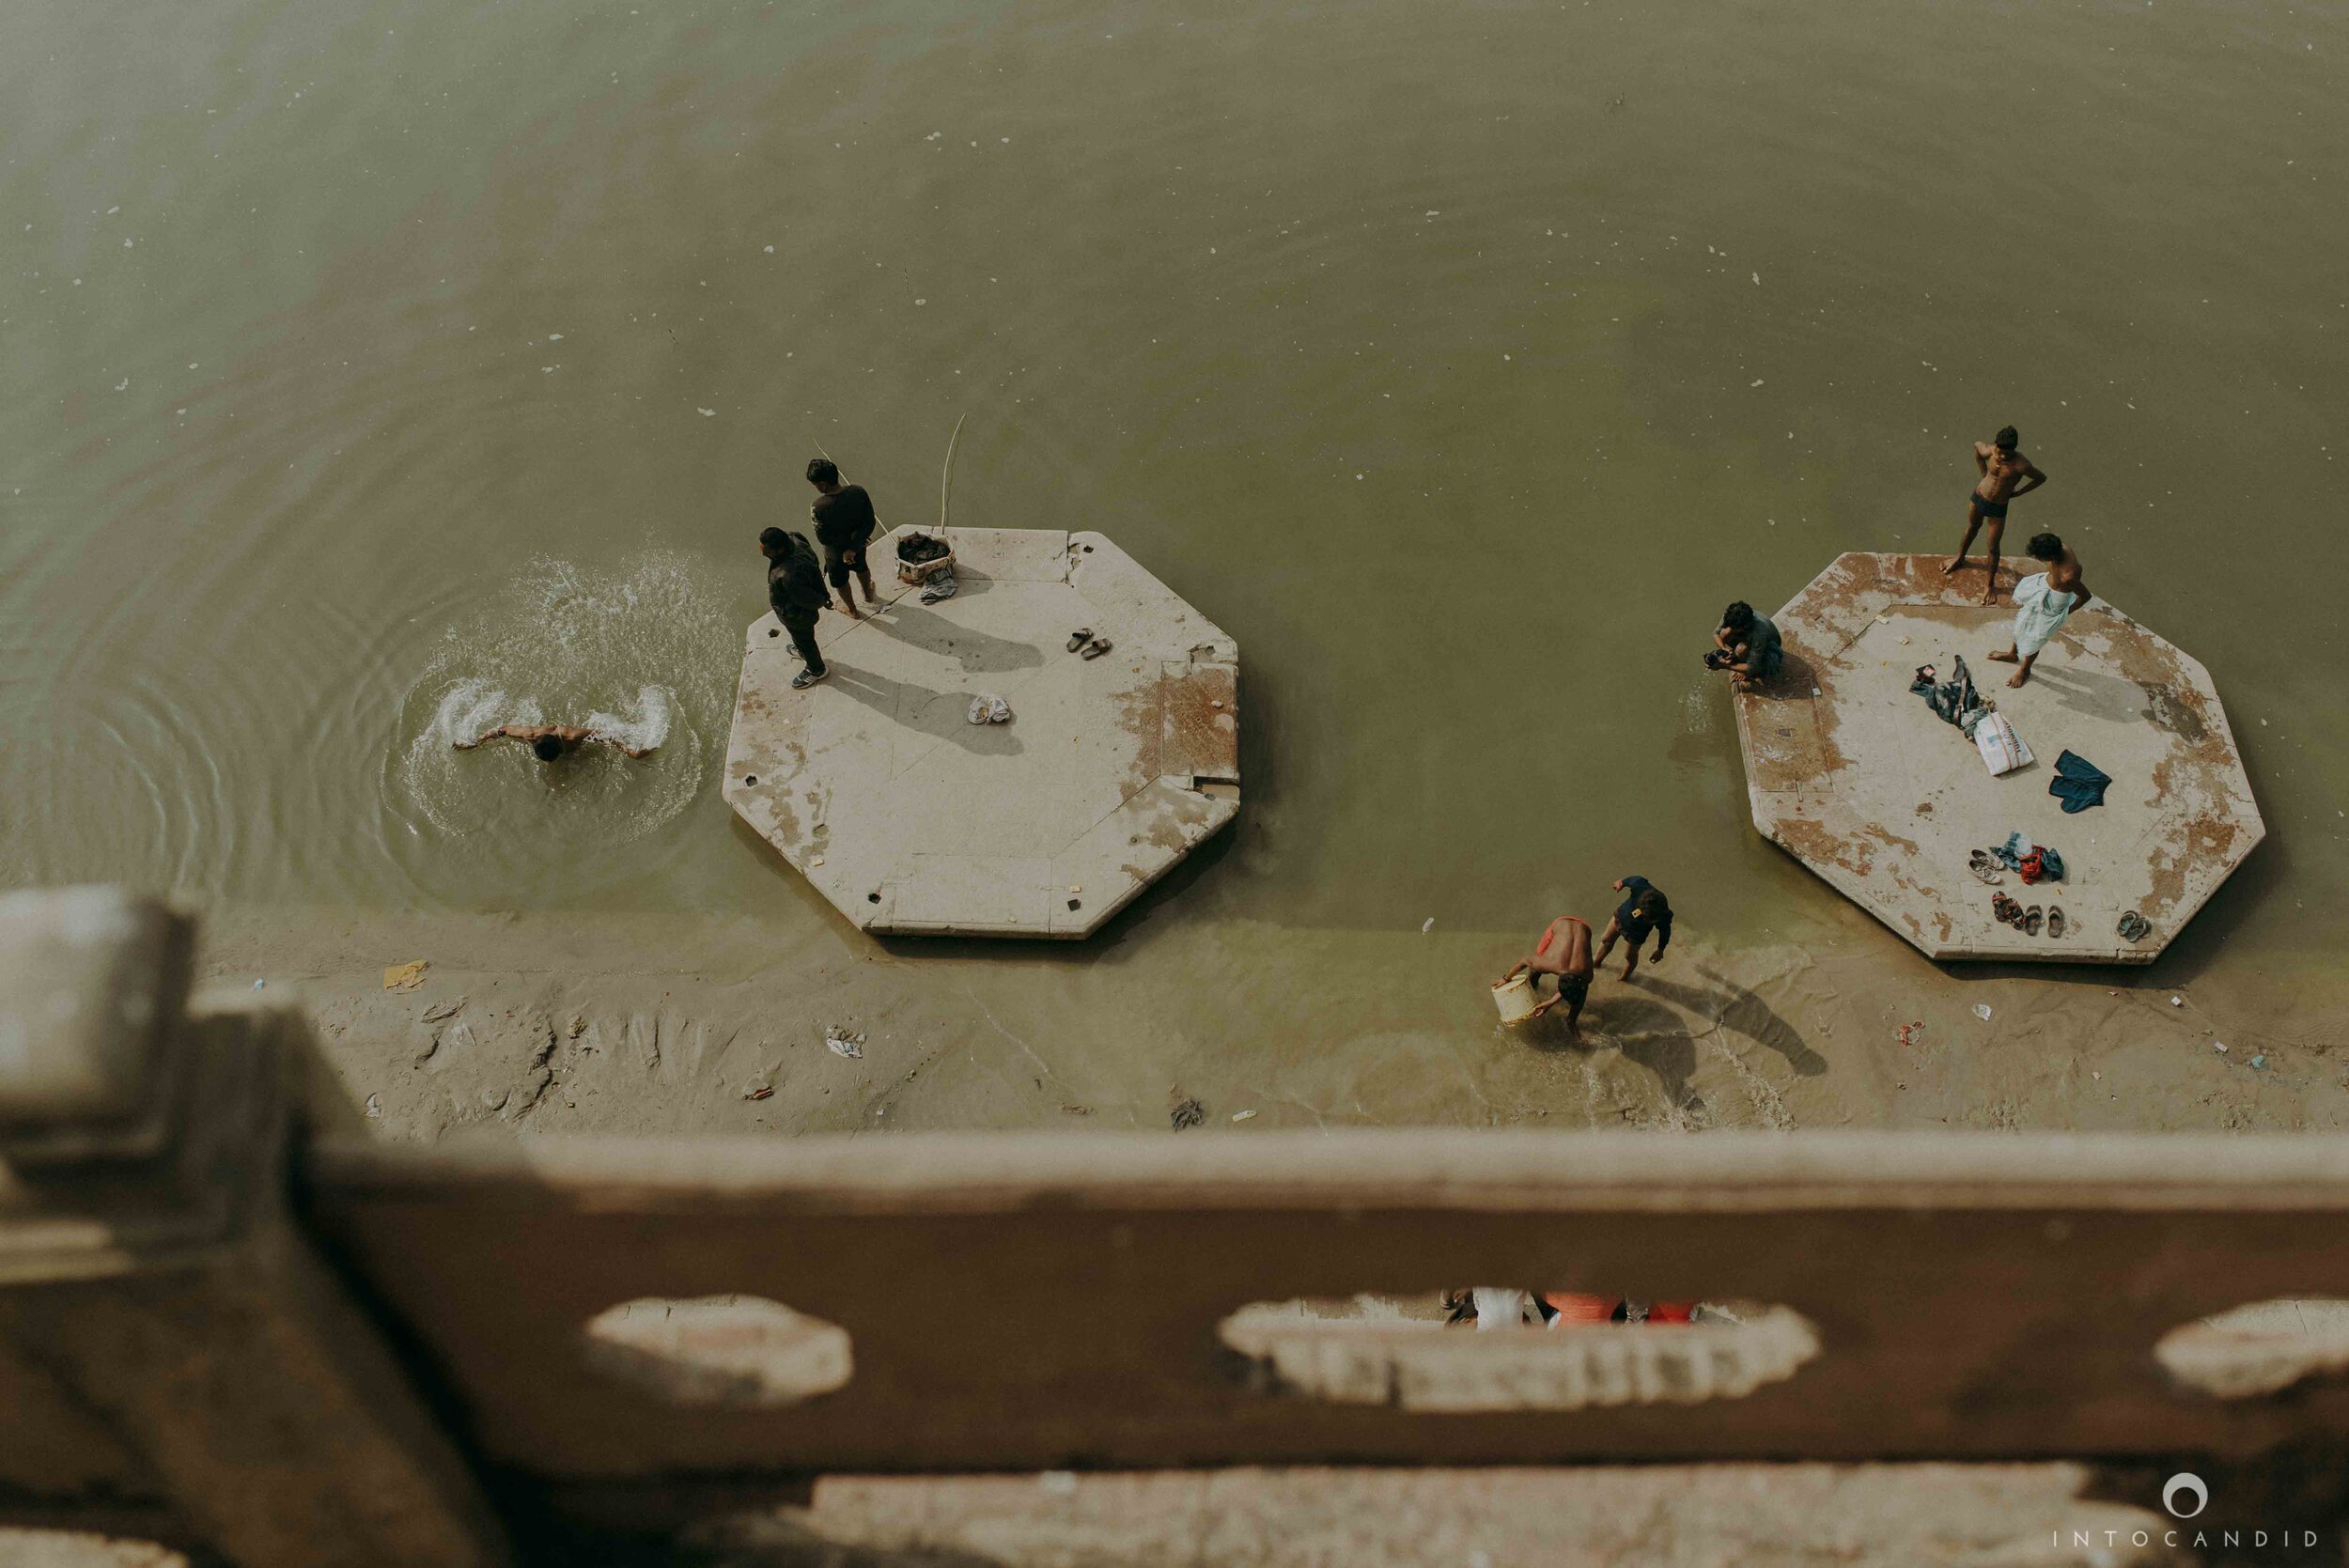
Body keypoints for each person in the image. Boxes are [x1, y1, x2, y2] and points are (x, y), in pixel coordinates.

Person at [1943, 426, 2048, 605]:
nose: (2000, 457)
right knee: (1971, 529)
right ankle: (1960, 557)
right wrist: (1983, 472)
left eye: (2005, 454)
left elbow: (2040, 478)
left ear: (2014, 449)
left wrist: (2020, 492)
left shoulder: (2021, 465)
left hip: (1998, 507)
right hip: (1979, 497)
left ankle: (1989, 584)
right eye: (1999, 452)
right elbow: (1977, 446)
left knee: (1993, 546)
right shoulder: (1990, 450)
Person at [1986, 533, 2091, 688]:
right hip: (2045, 586)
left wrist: (2064, 613)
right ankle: (2012, 653)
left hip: (2055, 601)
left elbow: (2085, 596)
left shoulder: (2068, 576)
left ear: (2050, 556)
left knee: (2035, 636)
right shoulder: (2062, 547)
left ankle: (2025, 670)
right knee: (2024, 620)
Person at [760, 525, 836, 690]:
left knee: (805, 640)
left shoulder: (788, 575)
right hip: (795, 607)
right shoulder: (796, 539)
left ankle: (816, 669)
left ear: (779, 549)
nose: (763, 553)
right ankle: (802, 649)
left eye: (767, 551)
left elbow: (808, 599)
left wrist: (820, 601)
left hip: (798, 615)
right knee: (800, 638)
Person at [806, 458, 880, 617]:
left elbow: (823, 538)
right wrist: (854, 546)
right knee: (861, 567)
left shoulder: (817, 507)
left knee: (840, 581)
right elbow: (869, 522)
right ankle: (868, 593)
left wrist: (846, 549)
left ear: (823, 484)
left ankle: (852, 609)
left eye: (815, 484)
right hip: (858, 545)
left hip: (836, 553)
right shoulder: (858, 492)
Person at [1501, 915, 1595, 1038]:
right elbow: (1524, 961)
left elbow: (1578, 989)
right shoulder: (1548, 963)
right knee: (1535, 969)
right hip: (1561, 923)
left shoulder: (1586, 974)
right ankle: (1533, 984)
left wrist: (1551, 1002)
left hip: (1584, 928)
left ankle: (1571, 1021)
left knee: (1580, 993)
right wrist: (1505, 979)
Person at [1594, 876, 1673, 981]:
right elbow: (1634, 879)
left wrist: (1660, 949)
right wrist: (1621, 882)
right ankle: (1595, 964)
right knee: (1606, 941)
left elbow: (1665, 932)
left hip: (1637, 933)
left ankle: (1623, 979)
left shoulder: (1663, 914)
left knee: (1629, 956)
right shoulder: (1640, 886)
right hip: (1620, 917)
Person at [454, 722, 651, 760]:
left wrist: (629, 751)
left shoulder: (572, 736)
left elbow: (605, 734)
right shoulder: (530, 734)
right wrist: (475, 742)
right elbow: (501, 729)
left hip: (573, 746)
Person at [1705, 601, 1782, 691]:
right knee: (1724, 632)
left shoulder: (1759, 630)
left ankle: (1744, 669)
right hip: (1747, 637)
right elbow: (1716, 634)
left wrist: (1724, 666)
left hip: (1769, 651)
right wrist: (1725, 649)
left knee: (1741, 649)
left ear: (1745, 627)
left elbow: (1753, 666)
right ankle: (1737, 660)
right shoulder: (1731, 616)